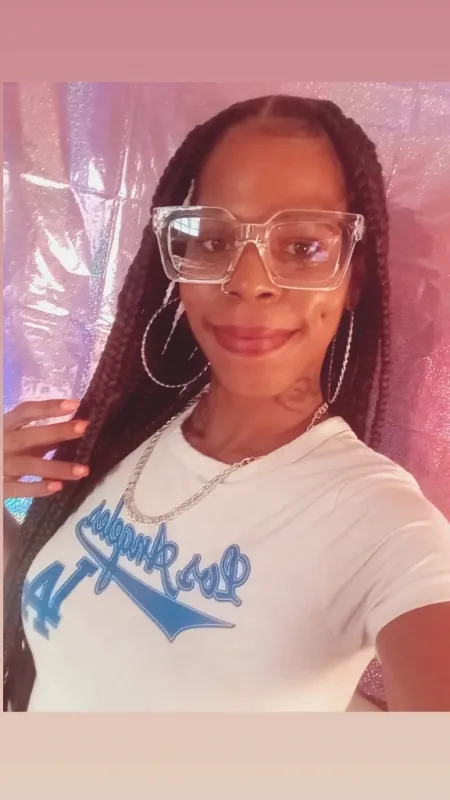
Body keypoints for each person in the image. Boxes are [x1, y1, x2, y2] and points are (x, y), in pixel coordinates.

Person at [3, 94, 450, 713]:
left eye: (302, 247)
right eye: (213, 240)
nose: (248, 281)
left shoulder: (382, 524)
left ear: (353, 279)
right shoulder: (125, 432)